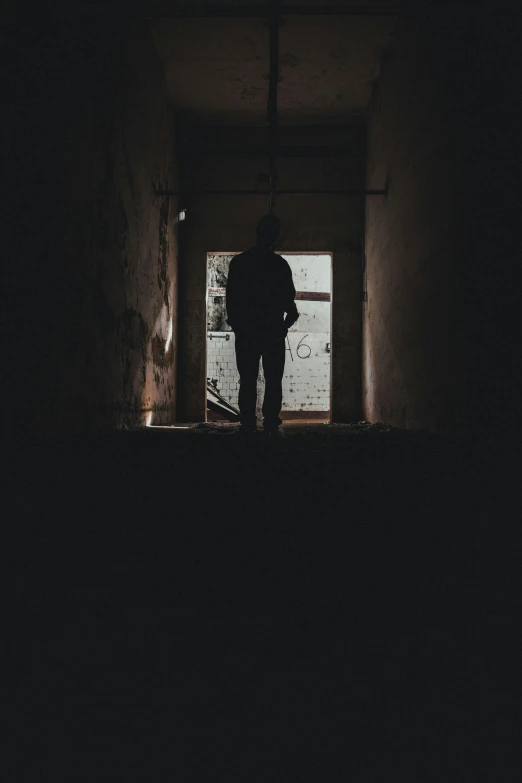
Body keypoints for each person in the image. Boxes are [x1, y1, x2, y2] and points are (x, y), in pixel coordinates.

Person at [226, 214, 299, 436]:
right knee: (273, 379)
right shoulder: (279, 265)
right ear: (275, 236)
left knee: (247, 379)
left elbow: (232, 300)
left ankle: (248, 420)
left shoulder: (239, 262)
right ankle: (269, 422)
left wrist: (238, 326)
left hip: (247, 331)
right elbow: (290, 303)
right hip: (272, 331)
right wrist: (283, 326)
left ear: (257, 232)